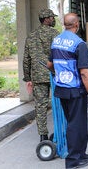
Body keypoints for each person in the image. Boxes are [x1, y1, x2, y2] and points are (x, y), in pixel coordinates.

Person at [47, 13, 88, 169]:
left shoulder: (56, 41)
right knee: (75, 124)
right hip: (75, 90)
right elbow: (84, 73)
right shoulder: (79, 44)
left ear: (64, 24)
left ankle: (81, 153)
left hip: (61, 88)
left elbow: (50, 65)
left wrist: (61, 70)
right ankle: (73, 161)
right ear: (77, 24)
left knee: (77, 122)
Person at [23, 8, 59, 142]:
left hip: (38, 77)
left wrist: (28, 78)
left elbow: (26, 59)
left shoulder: (31, 36)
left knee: (40, 106)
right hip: (54, 73)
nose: (53, 20)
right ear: (46, 19)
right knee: (58, 104)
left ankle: (43, 136)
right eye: (52, 17)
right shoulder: (55, 34)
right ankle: (58, 133)